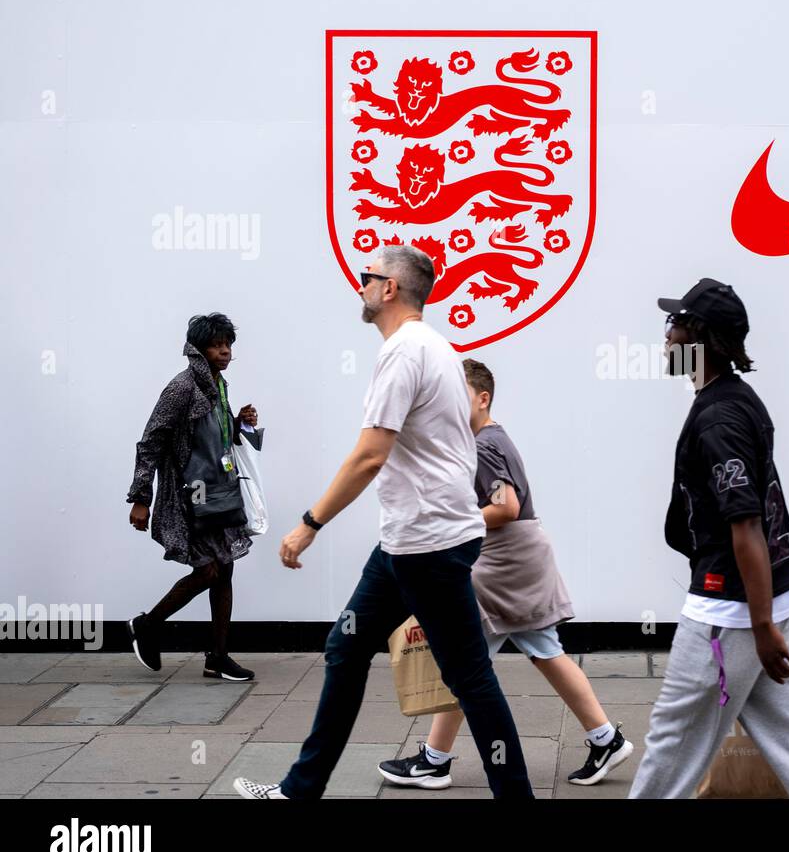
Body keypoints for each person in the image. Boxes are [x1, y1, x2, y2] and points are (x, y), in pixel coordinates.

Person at [233, 246, 532, 799]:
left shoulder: (404, 352)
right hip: (408, 544)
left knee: (470, 677)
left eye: (368, 277)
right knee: (346, 648)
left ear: (390, 288)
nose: (361, 285)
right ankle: (300, 790)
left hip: (428, 546)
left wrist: (309, 523)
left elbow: (370, 454)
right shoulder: (437, 348)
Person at [378, 358, 634, 790]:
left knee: (468, 661)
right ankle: (605, 738)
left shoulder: (482, 446)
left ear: (483, 398)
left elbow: (506, 506)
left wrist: (454, 522)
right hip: (515, 563)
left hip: (505, 565)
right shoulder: (491, 438)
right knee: (536, 653)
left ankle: (434, 761)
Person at [629, 278, 789, 799]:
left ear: (701, 337)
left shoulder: (719, 416)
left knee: (671, 743)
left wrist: (763, 627)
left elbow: (744, 523)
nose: (667, 338)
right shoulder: (737, 398)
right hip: (772, 595)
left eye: (675, 326)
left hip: (731, 613)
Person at [126, 313, 261, 682]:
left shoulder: (219, 385)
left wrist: (240, 422)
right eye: (217, 345)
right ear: (198, 349)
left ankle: (217, 658)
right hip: (188, 495)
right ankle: (147, 625)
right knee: (208, 570)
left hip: (219, 490)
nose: (225, 352)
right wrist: (141, 496)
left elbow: (213, 435)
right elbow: (150, 440)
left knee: (225, 569)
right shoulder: (181, 388)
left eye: (229, 345)